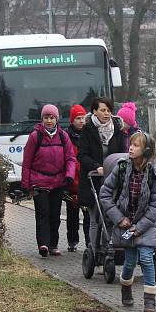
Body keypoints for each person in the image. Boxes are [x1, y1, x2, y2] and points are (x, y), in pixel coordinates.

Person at [99, 132, 156, 312]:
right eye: (131, 144)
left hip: (146, 224)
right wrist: (119, 219)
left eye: (136, 145)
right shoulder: (121, 168)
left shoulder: (155, 172)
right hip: (125, 224)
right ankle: (126, 288)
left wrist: (141, 227)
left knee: (146, 259)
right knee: (129, 263)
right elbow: (105, 194)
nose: (131, 148)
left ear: (146, 150)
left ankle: (149, 301)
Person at [20, 104, 77, 257]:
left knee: (55, 215)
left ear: (56, 119)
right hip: (39, 181)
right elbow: (27, 161)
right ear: (42, 119)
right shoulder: (35, 136)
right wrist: (26, 184)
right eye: (46, 117)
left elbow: (70, 157)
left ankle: (53, 244)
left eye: (52, 117)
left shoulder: (63, 136)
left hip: (58, 182)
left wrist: (69, 175)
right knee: (42, 214)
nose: (49, 120)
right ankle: (43, 244)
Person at [78, 98, 128, 256]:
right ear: (94, 111)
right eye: (102, 110)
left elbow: (122, 153)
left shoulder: (117, 130)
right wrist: (96, 167)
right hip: (93, 179)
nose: (106, 113)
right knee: (95, 219)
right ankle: (94, 251)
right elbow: (82, 154)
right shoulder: (88, 130)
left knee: (111, 217)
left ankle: (109, 248)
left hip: (113, 180)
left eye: (108, 110)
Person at [64, 104, 89, 252]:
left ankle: (89, 242)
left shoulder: (89, 135)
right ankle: (72, 240)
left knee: (88, 215)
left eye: (83, 118)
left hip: (86, 181)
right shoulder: (66, 137)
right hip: (72, 182)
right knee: (72, 215)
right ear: (72, 120)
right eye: (78, 118)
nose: (81, 121)